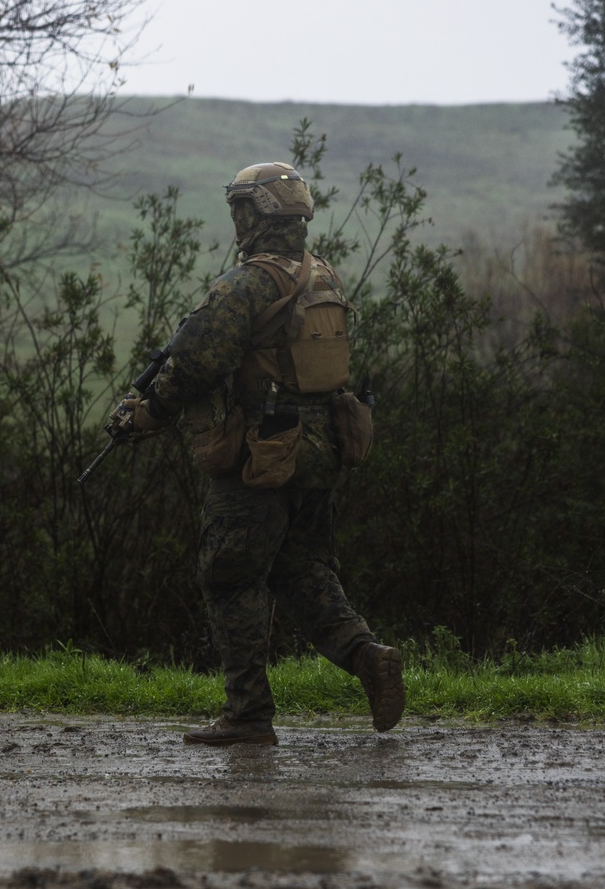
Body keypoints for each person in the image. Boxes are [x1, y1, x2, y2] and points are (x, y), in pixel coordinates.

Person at [122, 161, 405, 747]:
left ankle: (247, 714)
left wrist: (149, 413)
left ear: (259, 213)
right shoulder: (323, 275)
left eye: (239, 209)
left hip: (261, 456)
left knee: (229, 576)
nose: (235, 219)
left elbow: (196, 364)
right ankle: (368, 655)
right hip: (321, 452)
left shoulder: (246, 284)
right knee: (303, 570)